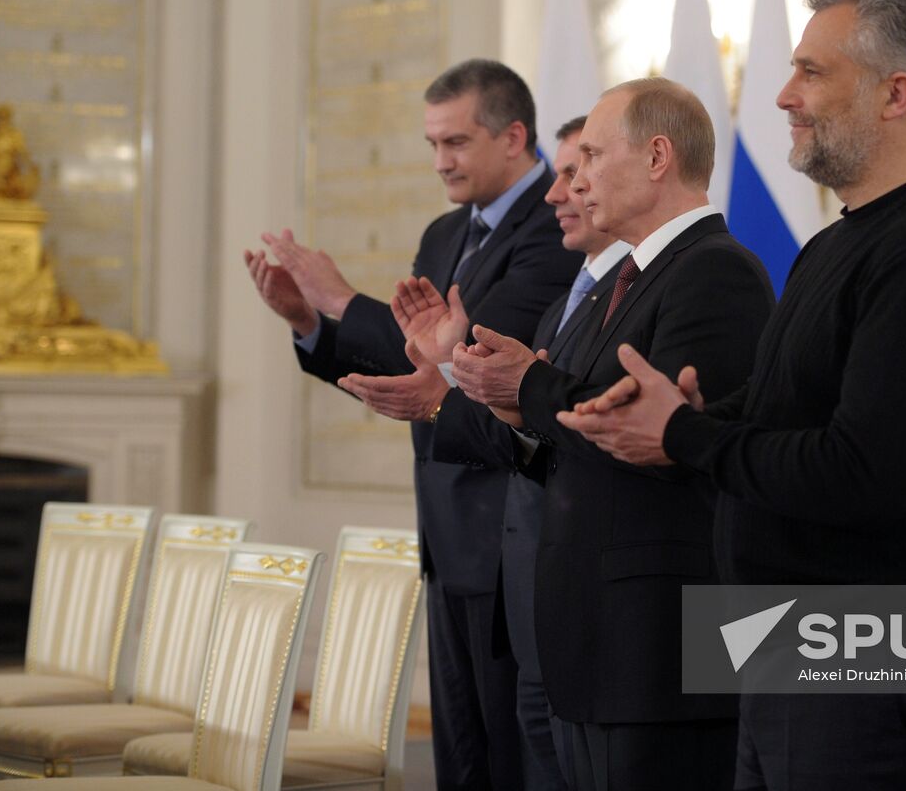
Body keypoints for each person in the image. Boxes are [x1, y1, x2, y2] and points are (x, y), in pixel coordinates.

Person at [558, 0, 906, 790]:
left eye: (812, 71)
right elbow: (789, 412)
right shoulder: (840, 242)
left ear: (894, 94)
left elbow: (861, 474)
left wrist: (685, 436)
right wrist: (690, 411)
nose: (781, 95)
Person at [243, 58, 581, 791]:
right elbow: (411, 369)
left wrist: (339, 296)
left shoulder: (555, 230)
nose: (439, 162)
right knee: (462, 753)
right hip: (445, 531)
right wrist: (311, 322)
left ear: (514, 135)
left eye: (455, 143)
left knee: (508, 756)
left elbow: (482, 360)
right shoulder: (443, 233)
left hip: (508, 529)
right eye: (431, 144)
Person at [450, 78, 775, 791]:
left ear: (657, 156)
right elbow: (585, 435)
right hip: (599, 639)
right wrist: (507, 405)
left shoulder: (714, 271)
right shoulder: (620, 281)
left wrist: (529, 387)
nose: (574, 180)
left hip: (659, 647)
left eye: (592, 156)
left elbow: (666, 442)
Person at [393, 116, 630, 791]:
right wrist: (450, 376)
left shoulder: (683, 278)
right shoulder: (571, 303)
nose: (559, 193)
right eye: (559, 173)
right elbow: (528, 435)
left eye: (575, 171)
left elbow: (603, 436)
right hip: (530, 591)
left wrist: (455, 384)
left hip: (608, 608)